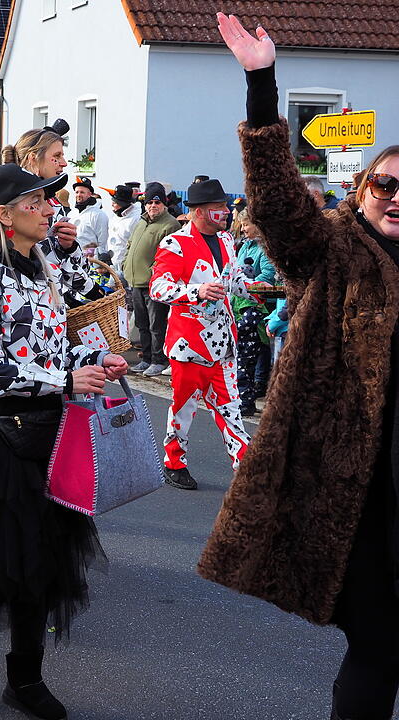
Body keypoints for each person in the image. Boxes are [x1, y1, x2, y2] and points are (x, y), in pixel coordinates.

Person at [198, 14, 399, 720]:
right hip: (362, 483)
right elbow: (281, 205)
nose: (397, 198)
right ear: (364, 191)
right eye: (385, 186)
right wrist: (262, 85)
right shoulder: (334, 250)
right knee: (377, 647)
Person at [0, 163, 125, 718]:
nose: (49, 208)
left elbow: (49, 352)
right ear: (5, 214)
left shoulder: (43, 273)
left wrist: (93, 359)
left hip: (47, 429)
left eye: (48, 200)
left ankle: (25, 678)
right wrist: (65, 379)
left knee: (46, 557)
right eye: (37, 201)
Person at [149, 176, 253, 489]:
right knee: (184, 408)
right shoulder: (175, 244)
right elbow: (157, 287)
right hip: (189, 345)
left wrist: (260, 290)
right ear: (199, 212)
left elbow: (233, 281)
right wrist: (196, 291)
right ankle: (173, 461)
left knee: (230, 408)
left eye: (224, 206)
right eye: (218, 207)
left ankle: (246, 469)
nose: (225, 212)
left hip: (223, 343)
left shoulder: (226, 241)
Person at [1, 127, 103, 307]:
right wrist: (92, 290)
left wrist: (69, 247)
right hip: (21, 302)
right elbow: (43, 261)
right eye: (57, 155)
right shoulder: (13, 203)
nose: (63, 163)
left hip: (51, 304)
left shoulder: (53, 203)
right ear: (33, 158)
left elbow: (71, 262)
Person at [123, 182, 180, 376]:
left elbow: (169, 255)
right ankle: (146, 358)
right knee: (142, 324)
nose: (152, 206)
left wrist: (151, 273)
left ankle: (158, 360)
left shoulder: (170, 224)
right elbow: (130, 245)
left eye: (157, 202)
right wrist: (125, 264)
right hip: (136, 281)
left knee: (157, 325)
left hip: (154, 284)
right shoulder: (142, 221)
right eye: (149, 202)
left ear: (164, 204)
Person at [232, 213, 275, 415]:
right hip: (238, 307)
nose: (243, 229)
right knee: (239, 359)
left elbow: (267, 276)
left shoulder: (265, 248)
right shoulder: (245, 246)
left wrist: (246, 285)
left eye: (246, 224)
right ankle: (241, 399)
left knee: (246, 359)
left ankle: (246, 402)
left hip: (255, 309)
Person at [67, 177, 109, 257]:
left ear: (89, 194)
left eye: (82, 192)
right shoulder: (71, 214)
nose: (78, 195)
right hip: (72, 260)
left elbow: (103, 242)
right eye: (77, 192)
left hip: (91, 261)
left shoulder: (98, 214)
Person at [105, 183, 141, 272]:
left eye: (115, 202)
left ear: (123, 204)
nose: (112, 204)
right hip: (112, 265)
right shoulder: (114, 216)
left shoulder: (135, 219)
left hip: (126, 266)